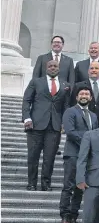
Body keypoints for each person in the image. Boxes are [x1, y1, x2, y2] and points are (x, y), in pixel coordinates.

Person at [22, 59, 72, 191]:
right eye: (50, 66)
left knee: (49, 157)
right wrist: (27, 118)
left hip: (54, 126)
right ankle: (31, 183)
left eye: (55, 66)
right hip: (35, 125)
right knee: (33, 156)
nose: (53, 68)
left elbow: (66, 106)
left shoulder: (65, 85)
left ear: (59, 69)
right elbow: (27, 100)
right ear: (46, 68)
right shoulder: (36, 82)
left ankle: (46, 183)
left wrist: (64, 122)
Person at [60, 87, 99, 223]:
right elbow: (70, 132)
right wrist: (87, 142)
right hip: (73, 154)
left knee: (79, 187)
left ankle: (73, 217)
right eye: (81, 93)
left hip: (87, 157)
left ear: (91, 98)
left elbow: (95, 134)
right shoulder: (70, 111)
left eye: (87, 94)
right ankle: (64, 217)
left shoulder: (94, 116)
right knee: (68, 186)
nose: (84, 96)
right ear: (76, 97)